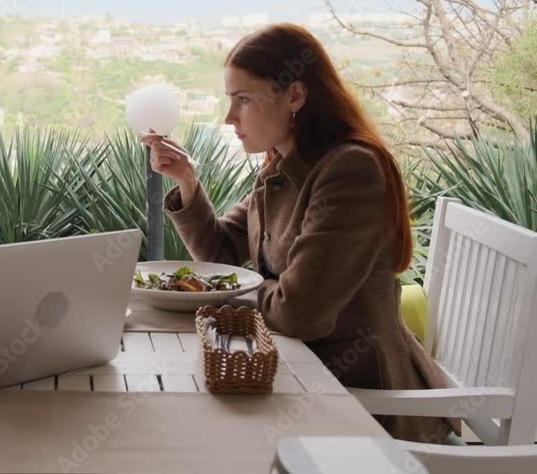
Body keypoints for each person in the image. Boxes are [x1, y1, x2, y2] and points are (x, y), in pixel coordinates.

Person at [143, 23, 453, 443]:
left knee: (194, 430)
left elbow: (298, 312)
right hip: (302, 374)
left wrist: (244, 289)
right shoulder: (282, 167)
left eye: (244, 100)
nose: (230, 117)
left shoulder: (350, 170)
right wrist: (187, 180)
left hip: (361, 401)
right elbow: (220, 252)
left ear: (295, 95)